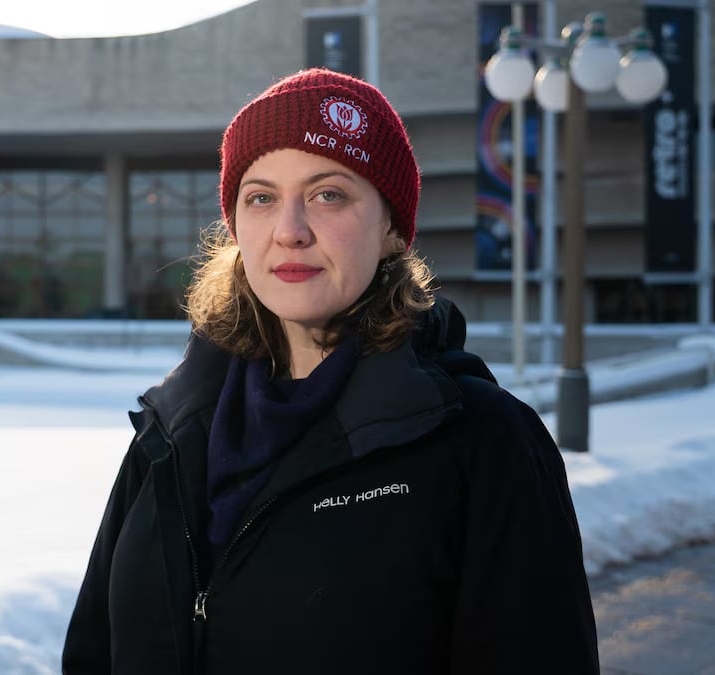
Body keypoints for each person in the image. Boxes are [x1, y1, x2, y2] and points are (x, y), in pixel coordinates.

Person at [62, 68, 598, 674]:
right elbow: (93, 654)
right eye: (261, 198)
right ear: (237, 228)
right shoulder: (171, 430)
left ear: (392, 230)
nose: (289, 232)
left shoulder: (481, 442)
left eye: (328, 194)